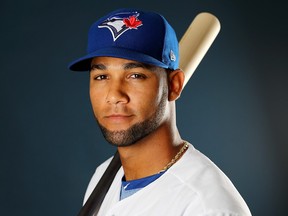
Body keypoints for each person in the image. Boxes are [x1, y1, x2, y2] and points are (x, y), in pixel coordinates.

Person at [68, 8, 252, 216]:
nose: (114, 95)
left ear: (174, 85)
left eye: (135, 75)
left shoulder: (208, 207)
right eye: (101, 76)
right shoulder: (102, 178)